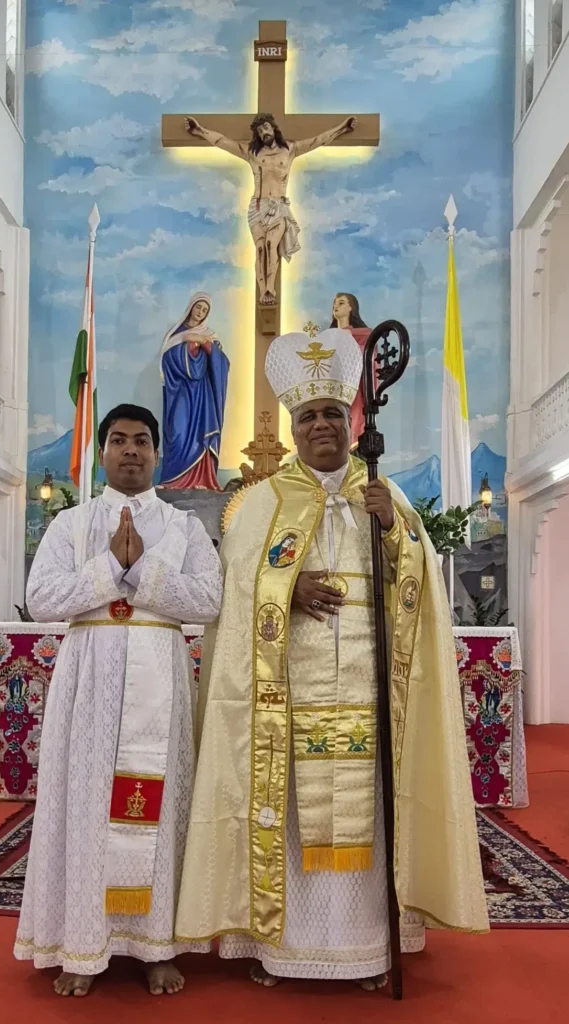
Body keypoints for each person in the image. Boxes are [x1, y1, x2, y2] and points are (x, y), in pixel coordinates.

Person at [176, 330, 488, 988]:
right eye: (306, 416)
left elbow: (419, 588)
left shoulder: (386, 494)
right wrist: (285, 591)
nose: (319, 425)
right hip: (284, 692)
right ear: (291, 427)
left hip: (371, 689)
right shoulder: (259, 503)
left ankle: (371, 950)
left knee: (371, 809)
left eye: (328, 413)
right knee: (285, 811)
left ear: (349, 422)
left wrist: (393, 531)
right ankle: (279, 948)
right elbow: (229, 596)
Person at [14, 404, 223, 997]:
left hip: (160, 674)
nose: (131, 451)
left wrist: (145, 572)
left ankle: (156, 946)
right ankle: (83, 945)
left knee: (161, 811)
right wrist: (112, 565)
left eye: (141, 441)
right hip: (90, 683)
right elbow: (45, 596)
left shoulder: (182, 528)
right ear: (102, 452)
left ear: (158, 454)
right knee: (86, 808)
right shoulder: (71, 525)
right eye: (119, 441)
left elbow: (209, 599)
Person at [185, 113, 356, 306]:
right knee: (259, 249)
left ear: (273, 128)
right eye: (259, 130)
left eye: (265, 127)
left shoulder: (290, 149)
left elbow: (319, 141)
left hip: (279, 206)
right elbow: (222, 142)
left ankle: (270, 288)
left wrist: (343, 127)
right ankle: (261, 291)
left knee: (270, 245)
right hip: (257, 206)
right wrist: (199, 130)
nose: (263, 132)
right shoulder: (252, 153)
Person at [160, 292, 229, 491]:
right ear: (191, 307)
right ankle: (172, 480)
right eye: (199, 307)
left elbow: (221, 364)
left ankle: (203, 480)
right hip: (180, 391)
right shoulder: (174, 335)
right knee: (178, 432)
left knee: (202, 435)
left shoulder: (209, 334)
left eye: (205, 310)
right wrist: (188, 345)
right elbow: (166, 361)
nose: (200, 312)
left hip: (202, 395)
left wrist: (204, 343)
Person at [330, 292, 372, 446]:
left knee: (353, 421)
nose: (335, 306)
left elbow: (368, 360)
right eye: (334, 303)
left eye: (341, 303)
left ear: (351, 308)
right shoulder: (328, 338)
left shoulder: (363, 335)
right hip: (333, 388)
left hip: (354, 387)